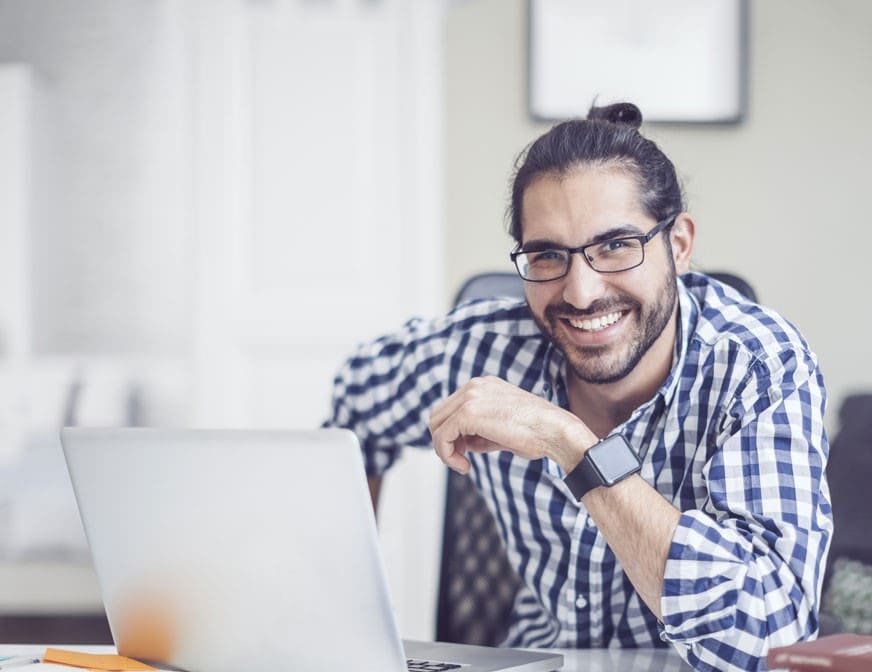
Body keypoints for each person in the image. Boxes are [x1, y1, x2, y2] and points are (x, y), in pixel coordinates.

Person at [326, 102, 832, 672]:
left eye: (616, 245)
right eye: (547, 255)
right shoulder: (477, 349)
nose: (582, 292)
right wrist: (345, 623)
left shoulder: (759, 366)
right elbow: (355, 406)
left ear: (680, 244)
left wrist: (572, 443)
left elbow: (769, 639)